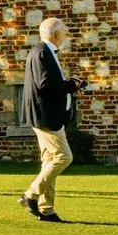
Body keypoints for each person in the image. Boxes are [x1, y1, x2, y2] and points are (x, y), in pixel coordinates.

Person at [21, 16, 80, 223]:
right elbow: (44, 84)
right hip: (46, 116)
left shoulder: (45, 52)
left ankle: (47, 209)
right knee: (64, 157)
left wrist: (70, 83)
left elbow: (50, 82)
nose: (64, 36)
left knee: (49, 162)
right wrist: (70, 86)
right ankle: (31, 194)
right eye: (63, 32)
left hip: (50, 115)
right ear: (57, 34)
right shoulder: (41, 53)